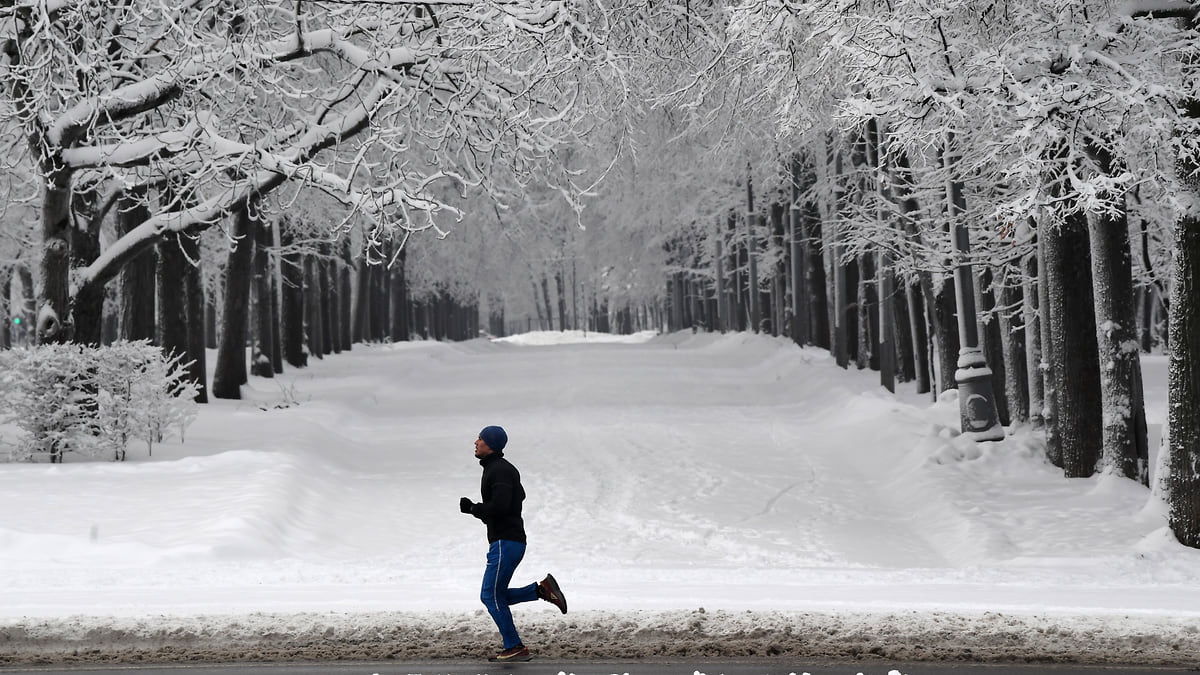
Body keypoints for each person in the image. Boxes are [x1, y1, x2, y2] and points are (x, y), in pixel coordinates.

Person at [460, 424, 567, 662]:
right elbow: (515, 498)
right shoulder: (499, 469)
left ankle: (515, 646)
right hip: (508, 541)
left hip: (505, 542)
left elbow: (500, 507)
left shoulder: (499, 470)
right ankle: (541, 590)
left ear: (491, 444)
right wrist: (478, 510)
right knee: (495, 595)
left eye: (480, 438)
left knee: (490, 596)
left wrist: (473, 508)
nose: (475, 442)